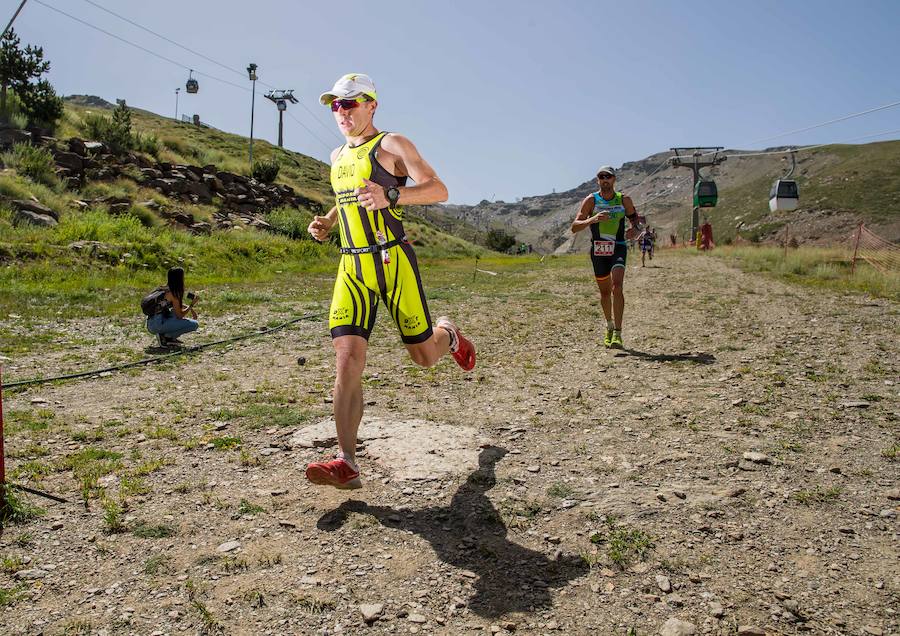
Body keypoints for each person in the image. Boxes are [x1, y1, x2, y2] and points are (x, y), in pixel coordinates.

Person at [304, 73, 476, 490]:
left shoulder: (392, 144)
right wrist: (329, 221)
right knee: (347, 361)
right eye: (335, 105)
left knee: (421, 357)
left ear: (371, 105)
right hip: (352, 268)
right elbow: (348, 192)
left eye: (350, 104)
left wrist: (393, 196)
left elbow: (438, 189)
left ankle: (448, 335)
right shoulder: (336, 156)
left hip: (392, 261)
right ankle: (346, 461)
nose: (341, 112)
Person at [570, 166, 643, 349]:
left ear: (614, 179)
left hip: (618, 247)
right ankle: (609, 326)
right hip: (598, 250)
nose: (605, 179)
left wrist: (635, 230)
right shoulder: (591, 200)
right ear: (597, 180)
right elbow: (574, 227)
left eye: (608, 176)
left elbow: (636, 219)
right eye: (601, 177)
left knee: (617, 287)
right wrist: (592, 219)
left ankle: (618, 332)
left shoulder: (623, 199)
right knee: (604, 293)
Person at [145, 267, 198, 347]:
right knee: (194, 324)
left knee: (173, 312)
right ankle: (167, 337)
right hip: (158, 325)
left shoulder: (161, 289)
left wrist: (189, 308)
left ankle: (165, 336)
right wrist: (191, 305)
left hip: (150, 323)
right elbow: (180, 315)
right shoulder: (174, 293)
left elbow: (171, 305)